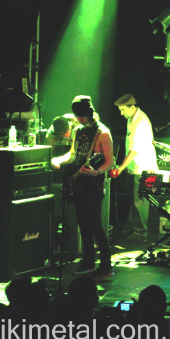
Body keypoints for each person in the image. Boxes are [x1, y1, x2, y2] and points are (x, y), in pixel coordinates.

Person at [51, 96, 114, 280]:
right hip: (78, 183)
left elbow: (110, 161)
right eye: (77, 116)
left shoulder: (103, 133)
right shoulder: (78, 130)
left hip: (93, 185)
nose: (79, 119)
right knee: (83, 225)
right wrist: (58, 159)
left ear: (90, 113)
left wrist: (97, 172)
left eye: (82, 116)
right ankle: (88, 262)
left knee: (95, 225)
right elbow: (72, 154)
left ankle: (106, 266)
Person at [111, 94, 157, 240]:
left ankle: (140, 232)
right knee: (134, 199)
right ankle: (136, 229)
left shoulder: (140, 122)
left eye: (123, 110)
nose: (121, 113)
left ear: (132, 107)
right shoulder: (132, 119)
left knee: (139, 201)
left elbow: (134, 150)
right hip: (136, 167)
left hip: (143, 168)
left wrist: (120, 168)